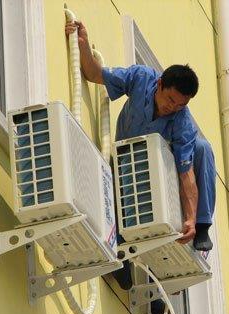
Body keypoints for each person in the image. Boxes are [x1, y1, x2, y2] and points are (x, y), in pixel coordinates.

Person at [65, 21, 216, 251]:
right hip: (125, 160)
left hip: (160, 175)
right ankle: (123, 256)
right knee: (121, 214)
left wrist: (191, 219)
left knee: (203, 148)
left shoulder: (182, 120)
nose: (172, 108)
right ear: (160, 84)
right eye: (170, 100)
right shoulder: (140, 78)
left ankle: (203, 226)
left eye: (179, 105)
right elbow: (94, 74)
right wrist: (83, 45)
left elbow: (186, 175)